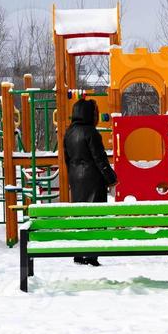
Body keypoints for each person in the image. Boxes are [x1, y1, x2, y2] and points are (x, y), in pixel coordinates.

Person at [62, 97, 118, 265]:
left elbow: (67, 159)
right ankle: (92, 256)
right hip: (93, 180)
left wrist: (73, 176)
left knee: (81, 217)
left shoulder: (69, 133)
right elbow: (100, 159)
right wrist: (112, 179)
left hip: (76, 179)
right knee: (96, 218)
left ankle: (79, 254)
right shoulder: (92, 133)